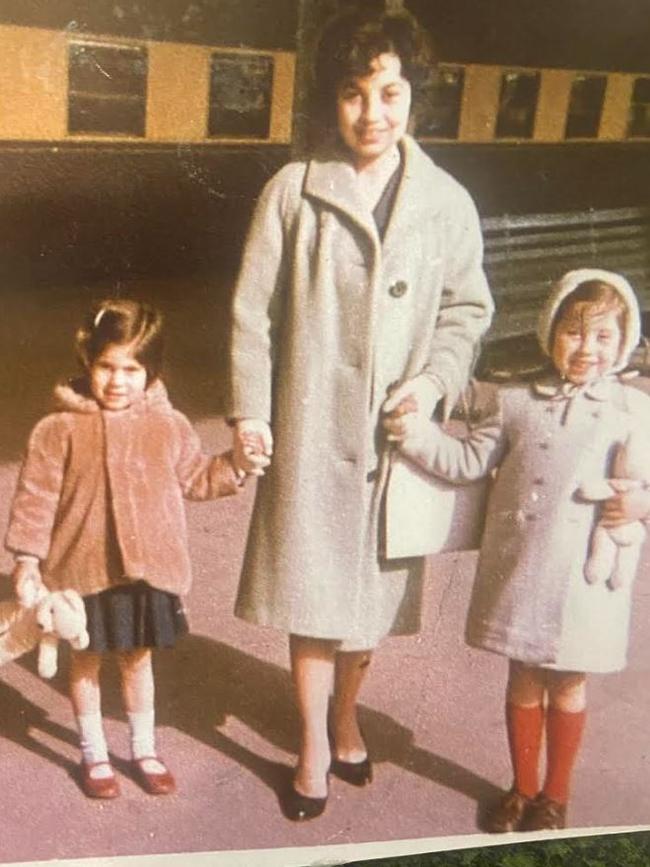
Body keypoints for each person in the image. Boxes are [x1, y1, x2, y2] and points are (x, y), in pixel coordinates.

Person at [228, 7, 493, 820]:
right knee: (311, 597)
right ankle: (313, 743)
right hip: (310, 434)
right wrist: (249, 413)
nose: (371, 113)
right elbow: (251, 313)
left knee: (368, 605)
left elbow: (467, 310)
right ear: (330, 101)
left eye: (388, 91)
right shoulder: (291, 190)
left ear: (415, 96)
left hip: (389, 441)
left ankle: (347, 713)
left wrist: (434, 384)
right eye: (352, 93)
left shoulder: (446, 202)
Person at [384, 268, 650, 831]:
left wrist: (641, 507)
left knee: (570, 682)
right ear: (550, 331)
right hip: (523, 569)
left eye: (603, 336)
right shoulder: (515, 402)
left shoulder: (633, 409)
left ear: (623, 341)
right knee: (525, 676)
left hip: (584, 580)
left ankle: (555, 796)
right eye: (574, 332)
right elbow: (466, 462)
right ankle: (522, 786)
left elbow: (643, 482)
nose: (587, 349)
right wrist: (413, 436)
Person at [6, 299, 243, 799]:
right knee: (86, 661)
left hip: (146, 571)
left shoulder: (168, 424)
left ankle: (143, 747)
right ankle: (93, 753)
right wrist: (27, 561)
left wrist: (236, 464)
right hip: (79, 572)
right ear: (87, 363)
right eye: (106, 367)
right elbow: (36, 499)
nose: (118, 381)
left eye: (132, 369)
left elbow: (198, 478)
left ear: (150, 372)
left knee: (137, 661)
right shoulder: (58, 428)